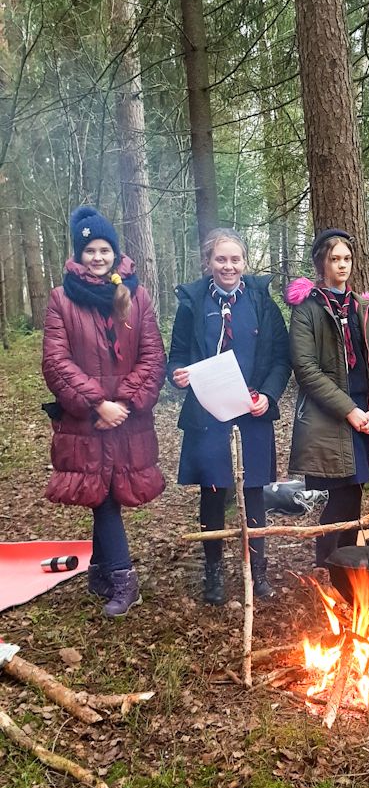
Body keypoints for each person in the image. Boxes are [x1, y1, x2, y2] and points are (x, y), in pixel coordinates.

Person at [42, 206, 166, 617]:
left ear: (115, 252)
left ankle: (101, 571)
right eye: (90, 250)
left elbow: (152, 355)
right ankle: (122, 577)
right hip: (87, 420)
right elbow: (56, 361)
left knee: (108, 492)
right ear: (79, 255)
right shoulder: (61, 299)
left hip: (127, 420)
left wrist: (125, 402)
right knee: (103, 495)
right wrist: (98, 402)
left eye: (104, 250)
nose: (97, 257)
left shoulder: (136, 295)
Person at [167, 228, 291, 604]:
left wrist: (268, 395)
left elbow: (281, 358)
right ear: (208, 262)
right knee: (213, 492)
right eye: (220, 259)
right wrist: (177, 375)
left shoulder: (261, 301)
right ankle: (214, 573)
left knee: (253, 492)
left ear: (245, 262)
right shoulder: (192, 304)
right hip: (208, 416)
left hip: (252, 412)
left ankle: (258, 572)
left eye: (235, 259)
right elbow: (176, 357)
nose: (228, 266)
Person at [286, 229, 369, 567]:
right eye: (335, 259)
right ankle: (329, 563)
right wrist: (348, 410)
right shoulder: (307, 309)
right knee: (341, 495)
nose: (342, 265)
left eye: (347, 258)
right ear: (322, 263)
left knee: (354, 492)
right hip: (328, 418)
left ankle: (344, 564)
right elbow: (305, 369)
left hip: (366, 414)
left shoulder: (366, 309)